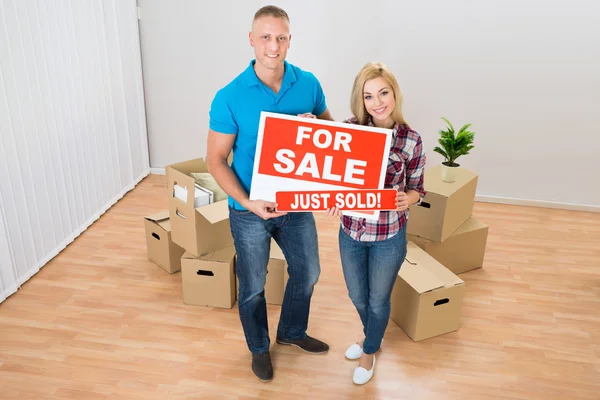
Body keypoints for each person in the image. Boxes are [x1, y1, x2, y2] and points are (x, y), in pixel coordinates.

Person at [205, 5, 334, 383]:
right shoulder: (229, 95)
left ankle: (292, 332)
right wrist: (247, 202)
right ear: (251, 40)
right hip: (249, 209)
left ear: (290, 40)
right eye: (265, 37)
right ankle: (259, 349)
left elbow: (335, 137)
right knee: (253, 286)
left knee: (308, 272)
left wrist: (315, 130)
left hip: (295, 203)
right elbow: (215, 160)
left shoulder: (308, 83)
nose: (273, 46)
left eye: (280, 38)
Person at [325, 61, 426, 385]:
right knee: (358, 296)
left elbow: (418, 190)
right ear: (361, 100)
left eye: (383, 92)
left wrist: (406, 199)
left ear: (394, 93)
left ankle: (369, 350)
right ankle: (374, 336)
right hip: (351, 232)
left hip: (389, 236)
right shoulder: (349, 130)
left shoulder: (411, 139)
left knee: (379, 299)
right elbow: (333, 178)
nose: (378, 101)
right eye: (369, 96)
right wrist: (334, 199)